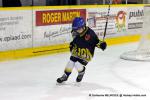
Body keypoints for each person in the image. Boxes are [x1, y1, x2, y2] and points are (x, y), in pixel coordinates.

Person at [57, 17, 107, 83]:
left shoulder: (90, 34)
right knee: (71, 62)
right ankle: (65, 75)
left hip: (86, 53)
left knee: (77, 64)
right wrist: (72, 44)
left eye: (78, 29)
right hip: (77, 50)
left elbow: (96, 42)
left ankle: (81, 72)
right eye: (76, 29)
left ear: (83, 27)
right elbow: (75, 41)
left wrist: (102, 45)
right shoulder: (74, 32)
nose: (77, 31)